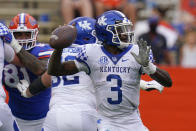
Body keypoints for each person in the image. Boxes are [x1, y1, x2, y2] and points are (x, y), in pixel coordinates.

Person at [46, 10, 172, 131]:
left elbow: (168, 82)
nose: (126, 33)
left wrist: (149, 67)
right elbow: (55, 70)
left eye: (126, 29)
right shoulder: (91, 53)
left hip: (133, 120)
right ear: (107, 33)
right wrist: (58, 49)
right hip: (107, 121)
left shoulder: (136, 52)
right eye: (121, 30)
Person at [3, 13, 53, 131]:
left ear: (35, 33)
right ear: (11, 34)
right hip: (14, 117)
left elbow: (42, 69)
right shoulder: (5, 53)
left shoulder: (42, 50)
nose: (23, 38)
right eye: (18, 34)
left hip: (45, 118)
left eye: (27, 34)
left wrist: (15, 46)